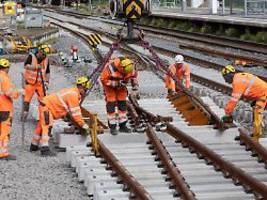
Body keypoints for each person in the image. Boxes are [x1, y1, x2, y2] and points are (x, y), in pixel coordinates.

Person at [30, 76, 92, 156]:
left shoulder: (72, 92)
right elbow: (76, 114)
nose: (86, 92)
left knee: (41, 126)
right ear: (81, 87)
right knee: (47, 126)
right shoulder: (73, 95)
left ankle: (34, 145)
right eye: (85, 90)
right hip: (47, 107)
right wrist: (84, 125)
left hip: (45, 105)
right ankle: (44, 149)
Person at [221, 65, 267, 141]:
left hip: (263, 95)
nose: (225, 81)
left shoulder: (237, 82)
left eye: (225, 78)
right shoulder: (239, 76)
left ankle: (256, 138)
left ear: (228, 75)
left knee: (257, 113)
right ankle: (255, 133)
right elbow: (255, 87)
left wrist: (227, 114)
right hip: (262, 94)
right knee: (256, 113)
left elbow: (234, 100)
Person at [101, 57, 139, 135]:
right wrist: (116, 84)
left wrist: (135, 85)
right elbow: (103, 79)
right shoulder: (111, 68)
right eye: (124, 72)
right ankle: (113, 127)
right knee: (111, 103)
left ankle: (123, 126)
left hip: (122, 86)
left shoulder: (131, 68)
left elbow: (134, 77)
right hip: (109, 86)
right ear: (121, 68)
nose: (126, 74)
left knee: (122, 104)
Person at [21, 44, 51, 120]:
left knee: (43, 100)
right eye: (43, 54)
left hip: (40, 84)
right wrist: (34, 67)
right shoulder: (31, 57)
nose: (44, 56)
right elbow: (26, 65)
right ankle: (24, 114)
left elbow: (47, 71)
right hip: (30, 83)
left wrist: (47, 82)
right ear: (39, 51)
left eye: (45, 55)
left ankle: (43, 115)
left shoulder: (46, 59)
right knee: (27, 100)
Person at [0, 59, 20, 160]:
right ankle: (2, 153)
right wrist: (18, 93)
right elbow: (9, 93)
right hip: (4, 108)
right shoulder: (4, 78)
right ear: (7, 68)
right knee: (4, 130)